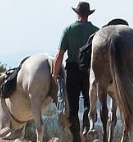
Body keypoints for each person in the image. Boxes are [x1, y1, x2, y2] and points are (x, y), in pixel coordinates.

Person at [52, 2, 98, 141]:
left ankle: (76, 138)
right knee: (89, 104)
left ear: (77, 13)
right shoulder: (96, 31)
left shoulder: (68, 30)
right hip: (89, 72)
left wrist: (55, 73)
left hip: (72, 70)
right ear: (88, 14)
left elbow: (60, 54)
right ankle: (86, 129)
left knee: (72, 105)